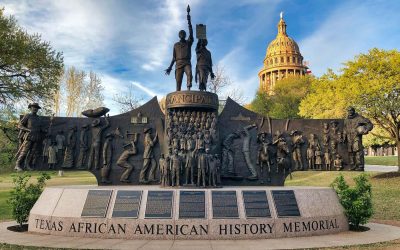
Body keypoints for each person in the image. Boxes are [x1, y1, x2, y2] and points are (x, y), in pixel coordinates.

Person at [165, 6, 194, 91]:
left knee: (189, 73)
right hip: (178, 64)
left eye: (183, 34)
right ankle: (178, 94)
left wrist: (189, 21)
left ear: (185, 35)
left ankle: (189, 89)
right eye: (180, 34)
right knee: (178, 81)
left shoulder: (188, 43)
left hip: (186, 62)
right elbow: (174, 57)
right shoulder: (176, 45)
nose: (182, 35)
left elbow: (191, 33)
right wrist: (170, 67)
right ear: (179, 35)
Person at [15, 103, 46, 171]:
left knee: (32, 152)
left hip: (36, 137)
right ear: (31, 108)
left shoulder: (39, 118)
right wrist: (28, 130)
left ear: (38, 109)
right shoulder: (27, 116)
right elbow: (19, 125)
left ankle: (27, 165)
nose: (35, 108)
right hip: (28, 137)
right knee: (24, 151)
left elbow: (41, 128)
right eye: (33, 107)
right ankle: (17, 165)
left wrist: (45, 130)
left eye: (36, 107)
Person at [343, 107, 373, 171]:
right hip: (349, 137)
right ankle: (352, 165)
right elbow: (345, 129)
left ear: (353, 111)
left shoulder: (359, 118)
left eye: (351, 110)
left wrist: (366, 129)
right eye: (348, 111)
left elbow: (369, 124)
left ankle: (360, 166)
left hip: (356, 137)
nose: (350, 112)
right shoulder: (346, 120)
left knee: (358, 151)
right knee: (350, 152)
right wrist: (344, 137)